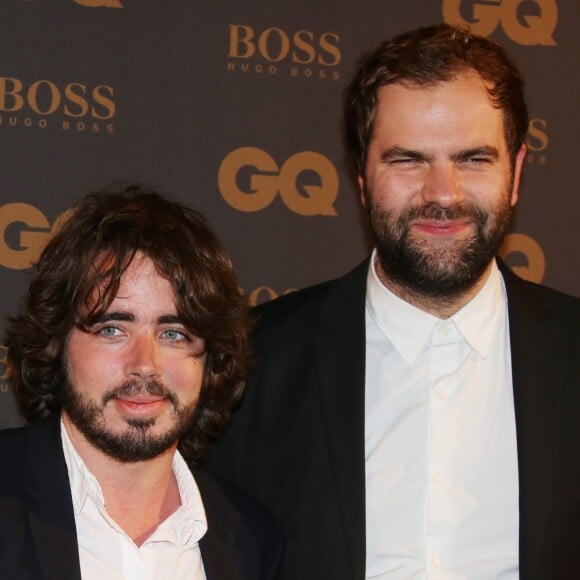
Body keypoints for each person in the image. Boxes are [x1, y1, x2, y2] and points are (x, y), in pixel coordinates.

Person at [207, 24, 580, 580]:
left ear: (517, 171)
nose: (443, 193)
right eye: (408, 160)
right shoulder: (250, 362)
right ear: (361, 177)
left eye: (474, 159)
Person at [0, 187, 282, 580]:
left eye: (174, 334)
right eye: (112, 329)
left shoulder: (252, 540)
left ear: (210, 360)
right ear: (57, 343)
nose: (144, 365)